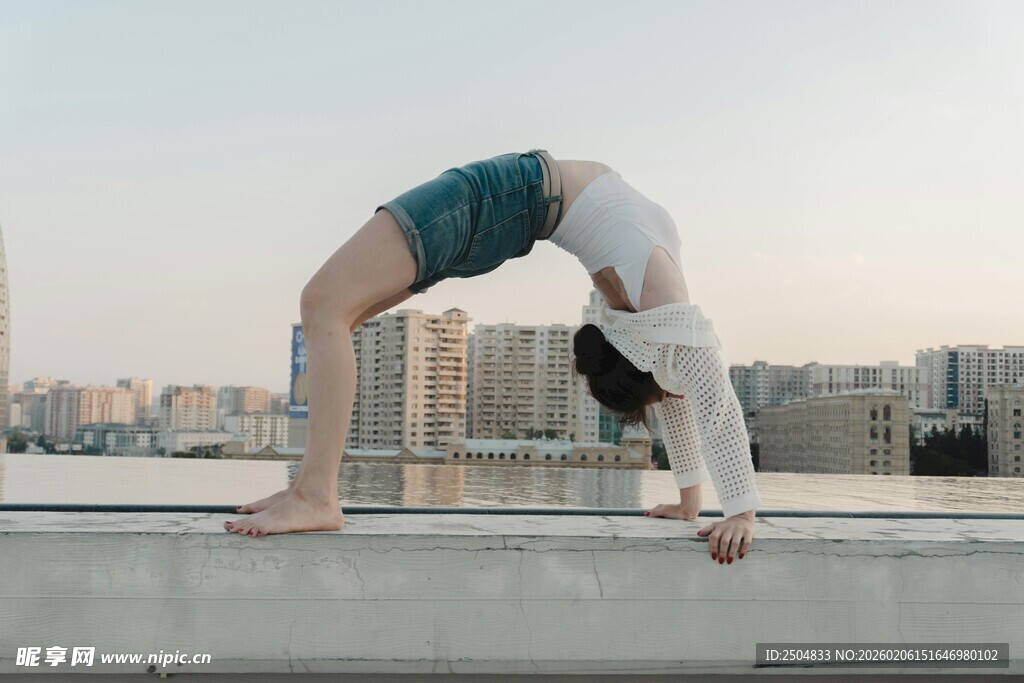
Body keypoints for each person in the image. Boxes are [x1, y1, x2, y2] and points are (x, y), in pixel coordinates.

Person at [224, 149, 763, 566]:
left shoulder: (654, 309)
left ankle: (316, 494)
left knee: (325, 304)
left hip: (512, 197)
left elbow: (692, 398)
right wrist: (714, 506)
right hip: (515, 203)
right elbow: (697, 397)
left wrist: (716, 507)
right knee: (338, 310)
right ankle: (308, 488)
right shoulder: (660, 308)